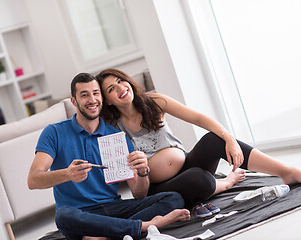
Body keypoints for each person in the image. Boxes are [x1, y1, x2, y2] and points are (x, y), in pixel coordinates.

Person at [96, 68, 301, 215]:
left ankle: (286, 171)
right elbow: (138, 195)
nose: (120, 89)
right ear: (107, 100)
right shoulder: (110, 132)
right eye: (111, 89)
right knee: (199, 179)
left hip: (188, 165)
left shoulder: (154, 102)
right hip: (160, 188)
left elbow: (198, 118)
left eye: (120, 81)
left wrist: (229, 138)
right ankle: (224, 184)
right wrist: (143, 172)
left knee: (213, 140)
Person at [27, 73, 190, 240]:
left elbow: (138, 193)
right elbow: (33, 180)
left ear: (102, 98)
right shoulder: (54, 132)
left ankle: (106, 235)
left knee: (173, 198)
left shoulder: (116, 136)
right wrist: (67, 174)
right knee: (63, 216)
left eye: (96, 93)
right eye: (84, 95)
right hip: (80, 214)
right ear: (74, 101)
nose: (92, 99)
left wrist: (142, 172)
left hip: (114, 208)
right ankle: (143, 226)